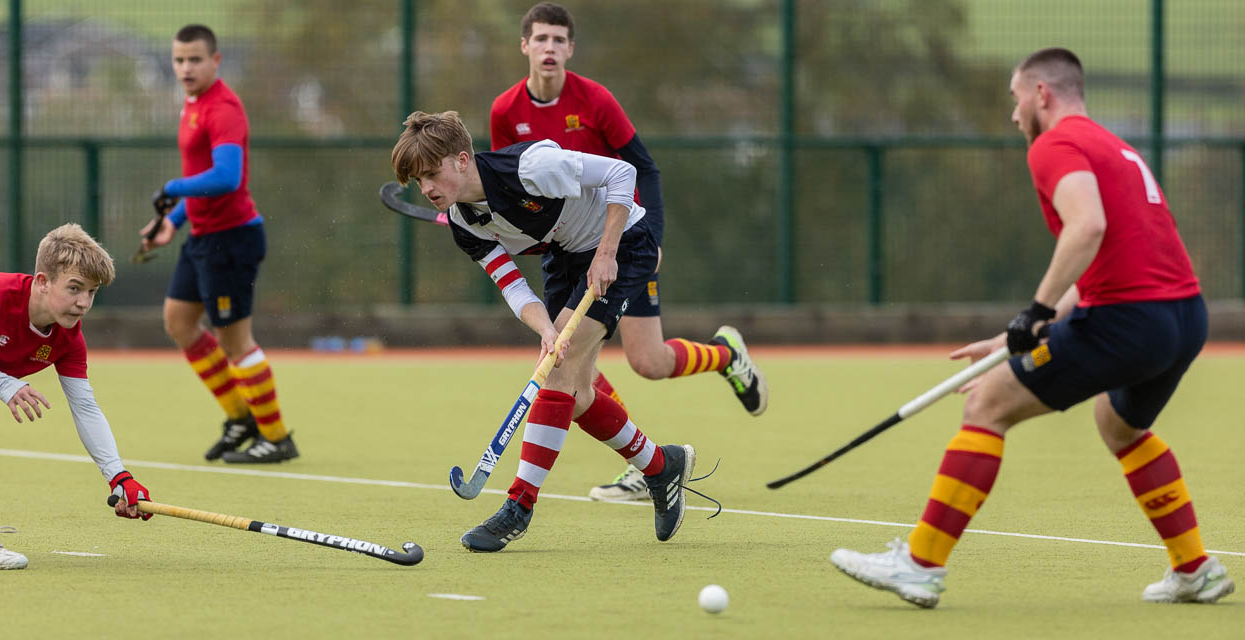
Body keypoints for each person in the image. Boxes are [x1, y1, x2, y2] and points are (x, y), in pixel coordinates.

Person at [829, 48, 1234, 608]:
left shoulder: (1054, 145)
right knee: (1119, 425)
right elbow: (1102, 254)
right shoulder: (1111, 144)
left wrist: (1036, 312)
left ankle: (919, 565)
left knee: (986, 406)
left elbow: (1086, 226)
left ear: (1042, 94)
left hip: (1129, 319)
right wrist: (1018, 334)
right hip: (1184, 318)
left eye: (1016, 99)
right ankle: (1195, 570)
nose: (1014, 115)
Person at [392, 110, 715, 552]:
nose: (427, 188)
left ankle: (518, 507)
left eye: (432, 174)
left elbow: (623, 172)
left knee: (556, 377)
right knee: (576, 395)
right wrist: (546, 329)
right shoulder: (465, 223)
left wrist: (607, 252)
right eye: (418, 181)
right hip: (564, 259)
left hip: (621, 242)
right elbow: (511, 286)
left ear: (462, 160)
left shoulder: (532, 168)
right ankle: (661, 466)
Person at [490, 2, 766, 502]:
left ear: (570, 49)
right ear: (525, 46)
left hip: (620, 242)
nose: (549, 48)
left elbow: (645, 169)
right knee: (572, 368)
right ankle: (649, 465)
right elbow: (514, 192)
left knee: (649, 361)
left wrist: (652, 238)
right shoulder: (506, 112)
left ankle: (725, 356)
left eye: (558, 40)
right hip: (566, 249)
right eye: (540, 39)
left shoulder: (595, 100)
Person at [140, 24, 297, 463]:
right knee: (179, 322)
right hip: (202, 236)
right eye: (178, 60)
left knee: (236, 343)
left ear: (216, 61)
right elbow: (202, 185)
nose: (185, 68)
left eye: (195, 59)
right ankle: (240, 417)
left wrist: (171, 187)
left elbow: (227, 177)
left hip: (231, 240)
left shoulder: (223, 108)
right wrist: (171, 221)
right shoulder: (193, 104)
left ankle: (276, 437)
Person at [0, 224, 154, 570]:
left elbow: (85, 407)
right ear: (42, 282)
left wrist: (119, 477)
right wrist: (3, 383)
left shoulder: (68, 340)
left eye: (92, 292)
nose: (83, 303)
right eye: (74, 288)